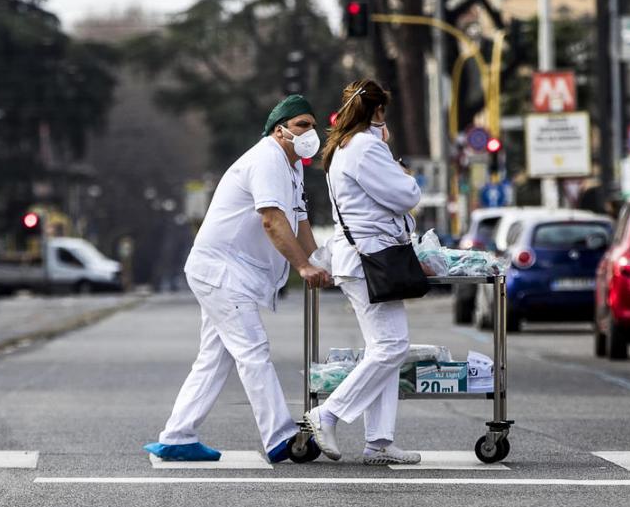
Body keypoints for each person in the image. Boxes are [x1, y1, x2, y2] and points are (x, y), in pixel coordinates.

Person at [144, 95, 332, 464]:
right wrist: (303, 268)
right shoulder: (267, 159)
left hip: (230, 271)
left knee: (215, 358)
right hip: (222, 271)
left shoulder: (292, 167)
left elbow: (301, 222)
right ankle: (280, 436)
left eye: (313, 125)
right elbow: (272, 220)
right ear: (279, 130)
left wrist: (322, 262)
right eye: (301, 125)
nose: (311, 133)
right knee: (253, 350)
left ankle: (178, 436)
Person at [303, 79, 422, 465]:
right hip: (370, 258)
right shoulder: (366, 148)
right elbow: (406, 197)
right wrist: (404, 173)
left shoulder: (344, 146)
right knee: (392, 347)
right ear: (377, 112)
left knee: (383, 349)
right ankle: (329, 414)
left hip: (360, 257)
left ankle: (379, 441)